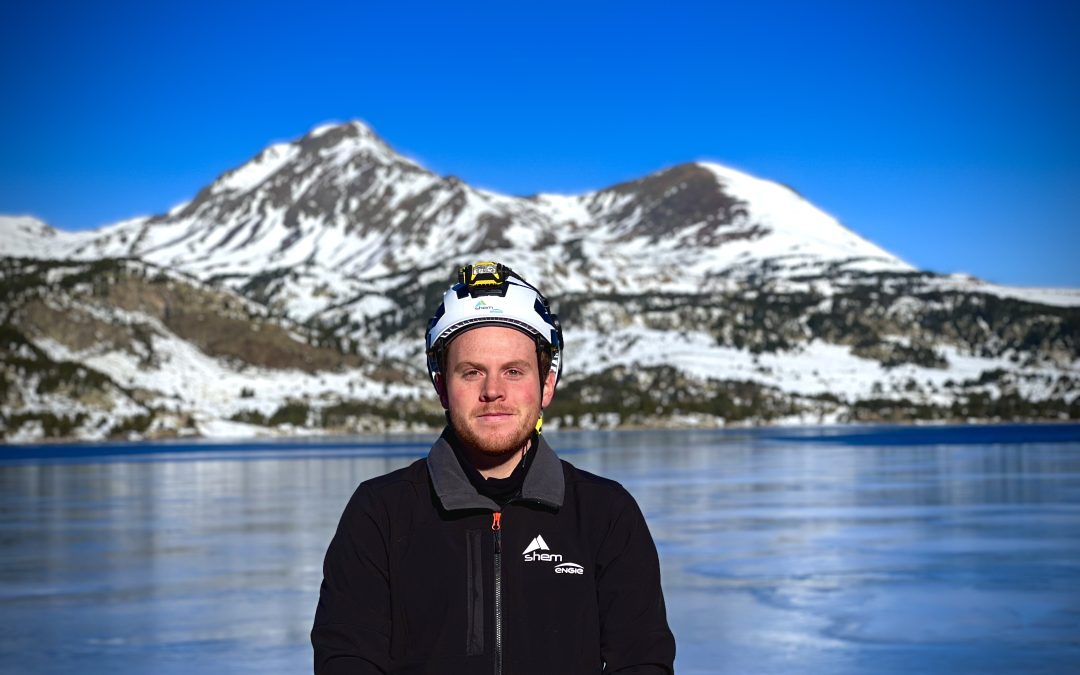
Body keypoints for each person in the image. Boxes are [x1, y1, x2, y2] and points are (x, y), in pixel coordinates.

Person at [312, 261, 676, 674]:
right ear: (441, 388)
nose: (493, 391)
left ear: (547, 384)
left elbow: (644, 661)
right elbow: (345, 660)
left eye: (514, 371)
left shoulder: (605, 513)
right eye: (471, 373)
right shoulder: (380, 513)